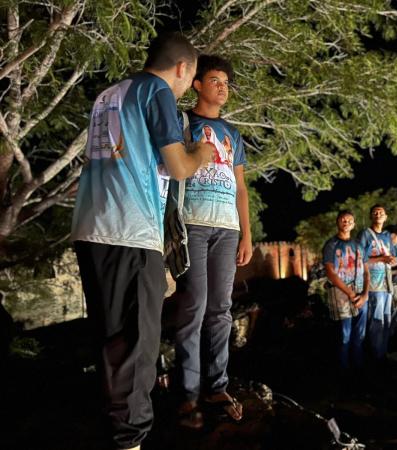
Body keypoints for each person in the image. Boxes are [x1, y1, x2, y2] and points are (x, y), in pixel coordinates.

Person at [71, 33, 214, 450]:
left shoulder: (108, 95)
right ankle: (129, 440)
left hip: (91, 228)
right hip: (130, 231)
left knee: (111, 338)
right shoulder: (157, 90)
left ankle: (116, 430)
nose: (185, 90)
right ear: (184, 68)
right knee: (136, 346)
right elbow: (179, 166)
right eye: (189, 79)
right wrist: (200, 154)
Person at [172, 55, 252, 429]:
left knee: (221, 309)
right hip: (193, 224)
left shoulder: (233, 134)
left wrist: (246, 234)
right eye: (215, 80)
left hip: (227, 228)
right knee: (194, 306)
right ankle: (186, 395)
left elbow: (240, 188)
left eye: (226, 82)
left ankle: (216, 386)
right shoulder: (183, 122)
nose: (223, 86)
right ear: (198, 84)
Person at [323, 210, 369, 371]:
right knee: (345, 334)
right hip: (341, 293)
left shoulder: (358, 244)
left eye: (350, 220)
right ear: (337, 222)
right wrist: (350, 293)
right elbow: (330, 272)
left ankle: (358, 367)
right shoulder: (331, 245)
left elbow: (366, 270)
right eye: (343, 220)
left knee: (360, 335)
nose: (346, 222)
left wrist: (365, 294)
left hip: (360, 293)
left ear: (354, 224)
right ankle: (343, 371)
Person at [358, 205, 395, 360]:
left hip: (387, 283)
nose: (378, 214)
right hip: (373, 284)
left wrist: (392, 260)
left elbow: (389, 256)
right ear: (371, 217)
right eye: (375, 212)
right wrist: (381, 259)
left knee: (386, 321)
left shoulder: (387, 236)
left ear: (385, 217)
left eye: (381, 212)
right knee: (376, 322)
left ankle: (383, 353)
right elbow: (360, 259)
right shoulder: (365, 235)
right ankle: (375, 358)